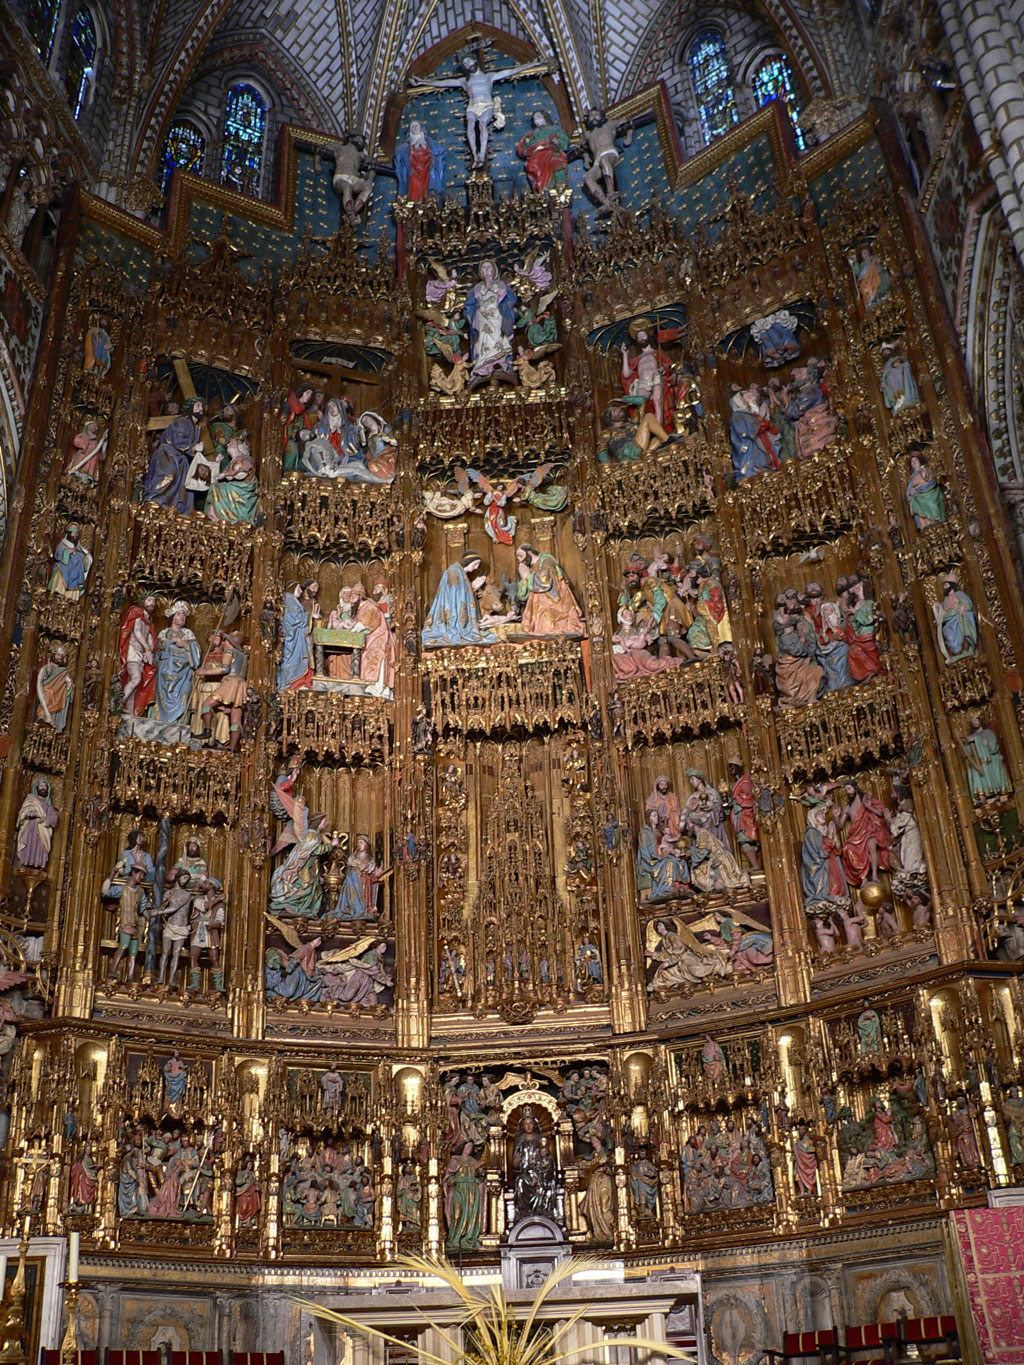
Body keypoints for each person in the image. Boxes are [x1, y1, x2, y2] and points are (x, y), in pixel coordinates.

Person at [143, 397, 206, 514]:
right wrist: (193, 447)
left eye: (202, 407)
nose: (201, 409)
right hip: (168, 454)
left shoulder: (196, 428)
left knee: (184, 485)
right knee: (168, 476)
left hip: (181, 459)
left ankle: (176, 508)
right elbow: (177, 439)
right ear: (190, 408)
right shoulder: (182, 421)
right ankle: (154, 501)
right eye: (198, 406)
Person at [422, 555, 499, 648]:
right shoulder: (454, 571)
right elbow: (455, 595)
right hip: (451, 612)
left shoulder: (460, 572)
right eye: (475, 564)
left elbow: (461, 592)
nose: (476, 567)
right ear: (468, 561)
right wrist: (473, 586)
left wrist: (473, 586)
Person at [515, 544, 585, 637]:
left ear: (529, 552)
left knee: (547, 625)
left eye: (520, 555)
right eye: (517, 557)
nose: (520, 559)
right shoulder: (530, 568)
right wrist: (524, 578)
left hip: (553, 605)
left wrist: (528, 576)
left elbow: (545, 580)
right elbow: (522, 595)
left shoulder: (546, 560)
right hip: (538, 608)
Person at [205, 436, 259, 523]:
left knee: (219, 488)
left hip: (245, 487)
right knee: (215, 487)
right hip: (236, 486)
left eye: (232, 443)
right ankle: (214, 516)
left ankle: (228, 517)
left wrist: (226, 474)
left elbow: (246, 469)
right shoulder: (233, 461)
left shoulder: (246, 459)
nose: (228, 445)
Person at [962, 716, 1013, 803]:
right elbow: (969, 752)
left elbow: (993, 747)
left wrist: (979, 741)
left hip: (990, 758)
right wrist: (967, 745)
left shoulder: (988, 732)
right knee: (974, 770)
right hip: (978, 761)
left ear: (980, 721)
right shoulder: (971, 736)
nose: (974, 722)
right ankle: (982, 797)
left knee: (990, 764)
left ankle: (997, 793)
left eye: (975, 720)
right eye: (972, 722)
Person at [517, 110, 570, 191]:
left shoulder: (554, 129)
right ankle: (542, 189)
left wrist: (557, 142)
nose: (537, 119)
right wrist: (527, 143)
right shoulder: (531, 134)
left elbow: (565, 141)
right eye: (535, 118)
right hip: (537, 156)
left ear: (545, 117)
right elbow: (524, 149)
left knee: (557, 162)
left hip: (553, 152)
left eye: (539, 116)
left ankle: (558, 188)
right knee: (534, 166)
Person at [278, 581, 317, 689]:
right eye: (298, 588)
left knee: (301, 658)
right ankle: (291, 683)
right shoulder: (290, 600)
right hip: (293, 637)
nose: (300, 591)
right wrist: (310, 616)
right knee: (294, 658)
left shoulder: (292, 600)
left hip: (298, 635)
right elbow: (295, 618)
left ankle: (299, 682)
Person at [394, 120, 446, 199]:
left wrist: (434, 159)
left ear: (421, 128)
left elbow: (440, 151)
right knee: (414, 187)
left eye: (416, 126)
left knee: (428, 189)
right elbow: (399, 157)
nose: (414, 128)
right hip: (413, 171)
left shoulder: (429, 142)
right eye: (412, 127)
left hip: (427, 170)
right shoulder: (405, 146)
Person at [14, 779, 58, 870]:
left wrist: (45, 819)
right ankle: (25, 861)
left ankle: (37, 864)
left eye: (44, 786)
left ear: (48, 789)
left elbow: (54, 817)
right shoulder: (31, 800)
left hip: (42, 831)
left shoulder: (48, 805)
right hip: (30, 827)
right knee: (29, 842)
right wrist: (30, 812)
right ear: (36, 788)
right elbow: (23, 812)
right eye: (41, 786)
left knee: (39, 846)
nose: (43, 788)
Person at [48, 524, 93, 600]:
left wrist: (86, 559)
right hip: (63, 570)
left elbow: (84, 559)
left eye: (76, 534)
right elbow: (58, 554)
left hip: (75, 574)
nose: (75, 535)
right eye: (73, 533)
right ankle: (59, 594)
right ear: (69, 533)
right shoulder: (63, 544)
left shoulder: (78, 547)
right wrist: (68, 552)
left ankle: (70, 598)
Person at [35, 647, 74, 732]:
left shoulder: (64, 672)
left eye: (62, 656)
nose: (60, 657)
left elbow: (67, 689)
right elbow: (39, 684)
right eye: (58, 655)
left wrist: (68, 686)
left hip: (58, 697)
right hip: (46, 694)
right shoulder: (45, 669)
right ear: (53, 655)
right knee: (47, 697)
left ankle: (53, 723)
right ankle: (44, 716)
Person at [905, 455, 946, 529]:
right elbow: (908, 492)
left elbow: (931, 479)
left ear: (919, 461)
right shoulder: (912, 478)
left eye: (916, 460)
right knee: (916, 505)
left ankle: (937, 521)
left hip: (930, 492)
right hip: (919, 496)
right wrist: (910, 492)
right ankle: (926, 526)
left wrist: (924, 473)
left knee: (931, 503)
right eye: (912, 461)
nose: (914, 462)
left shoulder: (926, 470)